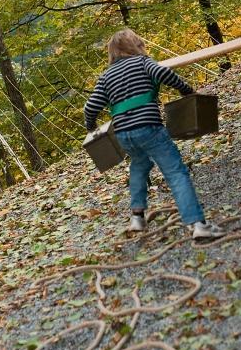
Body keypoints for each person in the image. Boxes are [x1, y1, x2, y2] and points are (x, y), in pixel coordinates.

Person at [84, 29, 225, 239]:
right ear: (135, 46)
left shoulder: (106, 76)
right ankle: (198, 225)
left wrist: (91, 127)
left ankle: (137, 217)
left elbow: (90, 108)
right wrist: (186, 90)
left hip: (124, 134)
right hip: (148, 127)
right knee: (176, 172)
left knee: (139, 166)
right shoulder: (142, 62)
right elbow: (165, 74)